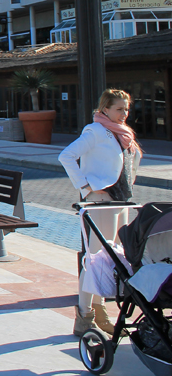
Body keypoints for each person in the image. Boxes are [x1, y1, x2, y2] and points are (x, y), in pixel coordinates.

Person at [59, 88, 142, 337]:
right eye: (119, 109)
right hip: (102, 202)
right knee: (95, 258)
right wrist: (86, 188)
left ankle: (99, 311)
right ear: (105, 108)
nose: (124, 114)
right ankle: (84, 316)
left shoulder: (122, 133)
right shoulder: (95, 131)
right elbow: (66, 156)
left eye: (126, 109)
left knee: (113, 258)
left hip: (121, 201)